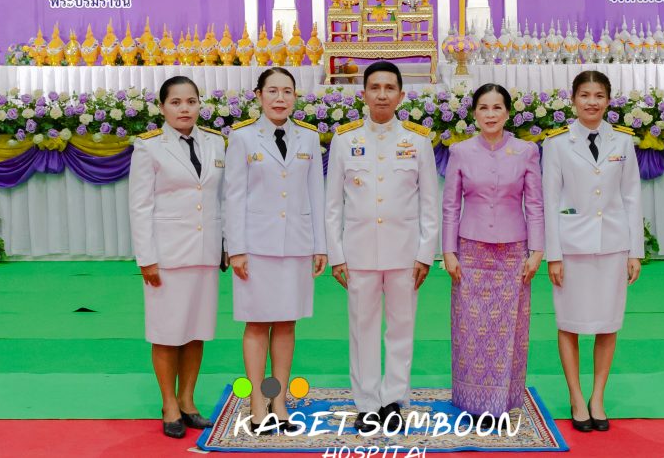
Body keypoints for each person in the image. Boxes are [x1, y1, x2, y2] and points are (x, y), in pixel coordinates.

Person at [325, 60, 438, 432]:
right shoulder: (345, 139)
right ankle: (367, 402)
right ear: (364, 94)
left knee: (401, 327)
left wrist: (425, 253)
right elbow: (332, 205)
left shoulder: (418, 140)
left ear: (402, 95)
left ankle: (394, 399)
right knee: (363, 327)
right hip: (359, 251)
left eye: (390, 88)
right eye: (375, 87)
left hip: (405, 252)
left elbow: (429, 205)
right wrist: (337, 255)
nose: (382, 94)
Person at [224, 67, 327, 434]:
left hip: (297, 243)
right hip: (255, 246)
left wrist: (321, 245)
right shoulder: (242, 138)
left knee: (286, 322)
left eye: (287, 91)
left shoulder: (309, 139)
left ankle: (278, 397)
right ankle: (256, 399)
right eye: (272, 91)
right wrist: (235, 248)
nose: (280, 98)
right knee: (256, 322)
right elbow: (232, 196)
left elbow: (317, 192)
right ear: (259, 95)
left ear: (295, 97)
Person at [542, 70, 643, 433]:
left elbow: (631, 197)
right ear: (573, 100)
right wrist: (552, 254)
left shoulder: (623, 143)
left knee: (607, 323)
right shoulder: (556, 144)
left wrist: (635, 251)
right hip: (571, 247)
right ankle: (575, 395)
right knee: (569, 324)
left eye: (599, 95)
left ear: (608, 100)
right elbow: (550, 200)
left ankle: (597, 396)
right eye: (584, 95)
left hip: (613, 244)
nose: (592, 102)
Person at [442, 83, 544, 428]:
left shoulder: (526, 151)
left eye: (497, 108)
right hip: (469, 250)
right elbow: (450, 206)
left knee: (509, 329)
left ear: (508, 113)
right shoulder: (459, 152)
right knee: (470, 328)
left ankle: (502, 402)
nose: (490, 115)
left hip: (514, 251)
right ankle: (471, 400)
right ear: (474, 113)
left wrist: (537, 250)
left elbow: (535, 204)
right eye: (483, 108)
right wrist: (448, 251)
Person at [129, 76, 225, 439]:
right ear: (163, 107)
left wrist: (226, 246)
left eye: (191, 101)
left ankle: (188, 401)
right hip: (167, 255)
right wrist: (146, 258)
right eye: (176, 102)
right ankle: (168, 403)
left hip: (205, 253)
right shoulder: (149, 147)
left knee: (197, 330)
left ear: (200, 104)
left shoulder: (215, 143)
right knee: (167, 332)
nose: (185, 109)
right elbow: (139, 206)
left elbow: (222, 199)